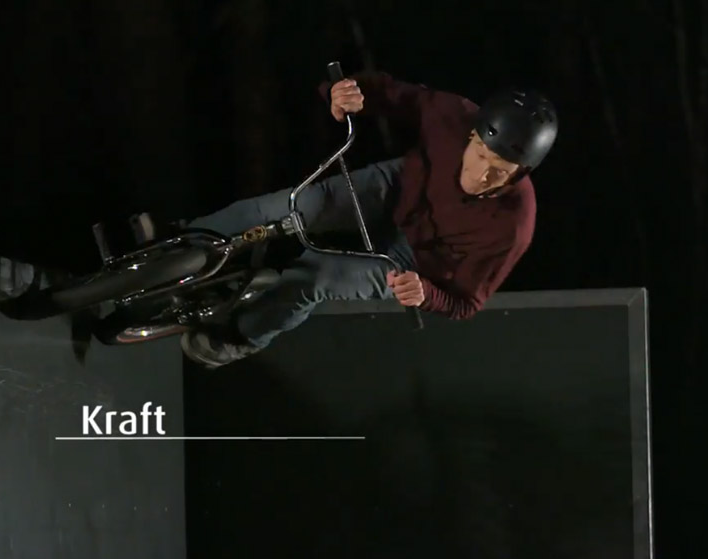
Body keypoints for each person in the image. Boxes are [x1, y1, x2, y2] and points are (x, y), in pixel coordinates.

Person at [180, 71, 558, 368]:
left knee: (316, 276)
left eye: (499, 171)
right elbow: (392, 94)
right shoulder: (453, 114)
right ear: (472, 134)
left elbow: (467, 302)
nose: (480, 175)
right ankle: (181, 243)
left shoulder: (513, 226)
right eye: (479, 154)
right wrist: (345, 91)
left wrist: (428, 296)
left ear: (520, 174)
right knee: (299, 206)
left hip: (415, 261)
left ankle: (238, 338)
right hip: (400, 187)